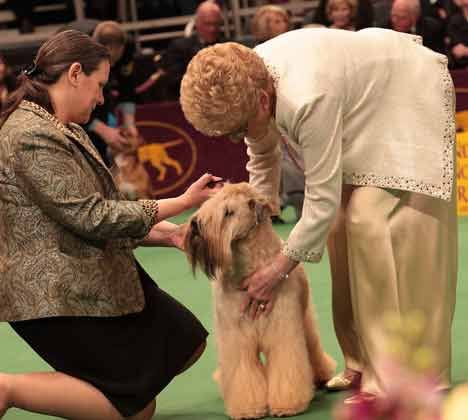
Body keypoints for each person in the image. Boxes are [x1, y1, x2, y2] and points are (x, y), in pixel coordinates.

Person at [180, 28, 458, 402]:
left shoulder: (308, 97)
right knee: (339, 225)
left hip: (407, 93)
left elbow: (320, 200)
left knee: (368, 220)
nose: (237, 139)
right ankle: (360, 362)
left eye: (238, 131)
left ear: (263, 102)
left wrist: (277, 269)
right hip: (361, 96)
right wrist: (261, 221)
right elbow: (262, 156)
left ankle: (404, 376)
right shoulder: (242, 78)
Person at [0, 29, 223, 420]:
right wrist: (182, 203)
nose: (102, 97)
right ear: (74, 74)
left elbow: (104, 209)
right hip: (51, 293)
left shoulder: (60, 126)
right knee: (134, 410)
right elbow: (91, 217)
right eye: (99, 85)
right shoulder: (30, 135)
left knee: (184, 342)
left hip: (82, 274)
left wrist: (168, 234)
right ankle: (7, 388)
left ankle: (104, 392)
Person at [148, 0, 226, 101]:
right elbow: (175, 81)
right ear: (197, 23)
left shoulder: (227, 46)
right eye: (207, 24)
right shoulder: (179, 47)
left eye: (216, 24)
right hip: (189, 103)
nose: (212, 29)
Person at [87, 20, 139, 166]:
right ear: (106, 49)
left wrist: (130, 123)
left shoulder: (127, 45)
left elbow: (127, 83)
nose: (114, 65)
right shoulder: (76, 52)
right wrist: (102, 130)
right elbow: (68, 103)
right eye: (111, 60)